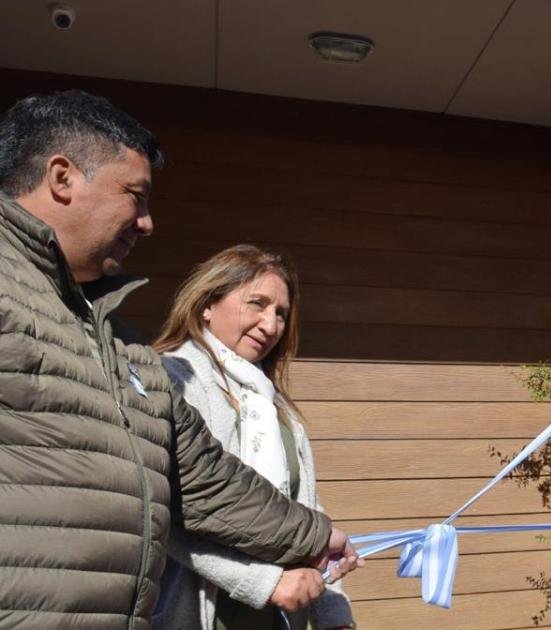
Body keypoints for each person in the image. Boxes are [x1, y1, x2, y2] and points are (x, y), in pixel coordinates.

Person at [0, 90, 361, 628]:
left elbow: (199, 479)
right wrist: (265, 580)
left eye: (281, 313)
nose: (147, 222)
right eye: (135, 195)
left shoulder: (122, 347)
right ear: (62, 178)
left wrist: (315, 534)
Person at [151, 245, 354, 629]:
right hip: (197, 613)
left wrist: (333, 615)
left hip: (276, 616)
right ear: (207, 305)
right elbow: (167, 512)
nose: (271, 325)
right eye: (257, 304)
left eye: (281, 314)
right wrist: (263, 582)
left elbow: (308, 509)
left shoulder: (274, 404)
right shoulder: (173, 380)